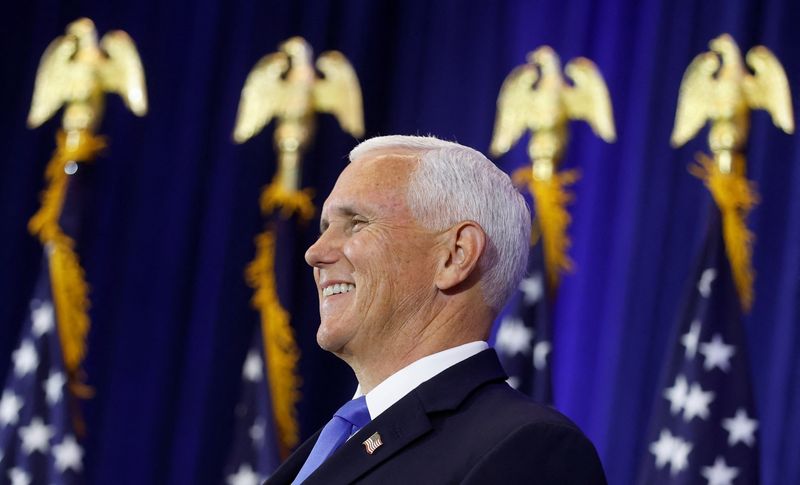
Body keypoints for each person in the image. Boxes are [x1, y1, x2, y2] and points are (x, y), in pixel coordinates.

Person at [266, 135, 607, 484]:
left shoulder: (530, 453)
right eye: (325, 228)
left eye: (356, 223)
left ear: (456, 255)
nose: (315, 252)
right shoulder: (334, 442)